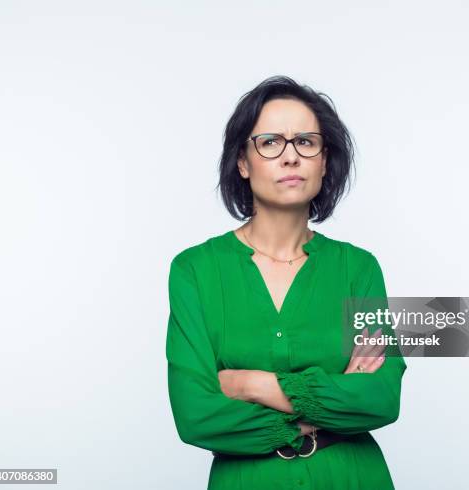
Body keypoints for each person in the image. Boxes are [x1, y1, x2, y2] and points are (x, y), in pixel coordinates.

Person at [165, 75, 407, 489]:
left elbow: (381, 399)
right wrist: (325, 404)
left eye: (306, 142)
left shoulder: (359, 268)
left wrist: (251, 384)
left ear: (324, 160)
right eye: (271, 142)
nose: (291, 157)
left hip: (351, 477)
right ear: (242, 161)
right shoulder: (195, 270)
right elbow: (195, 416)